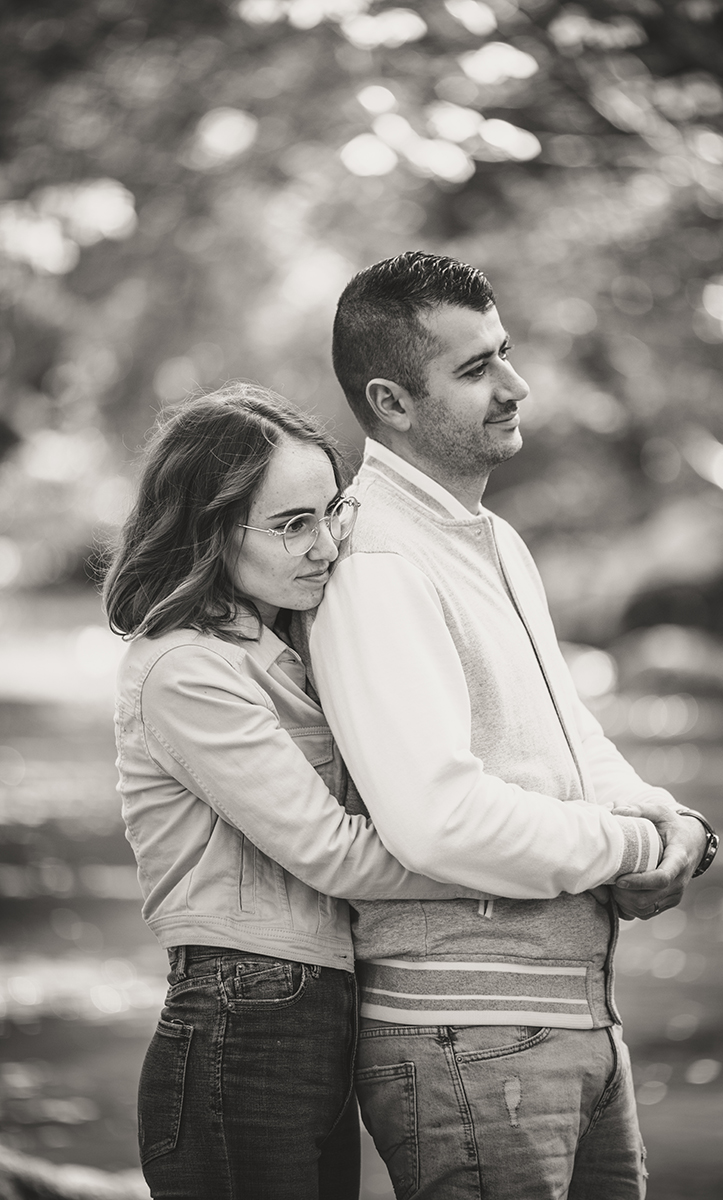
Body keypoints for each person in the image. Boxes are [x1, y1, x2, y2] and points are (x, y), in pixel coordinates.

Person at [308, 252, 720, 1199]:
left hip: (573, 1022)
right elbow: (437, 818)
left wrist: (676, 826)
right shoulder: (375, 560)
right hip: (469, 1042)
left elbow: (577, 740)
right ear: (393, 400)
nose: (515, 384)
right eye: (475, 368)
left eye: (505, 352)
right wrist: (625, 846)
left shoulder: (494, 540)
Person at [103, 383, 492, 1200]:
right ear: (210, 530)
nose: (326, 546)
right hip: (241, 1021)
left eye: (332, 512)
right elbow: (335, 852)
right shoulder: (185, 669)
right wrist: (516, 869)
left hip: (308, 1010)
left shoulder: (282, 643)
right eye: (292, 525)